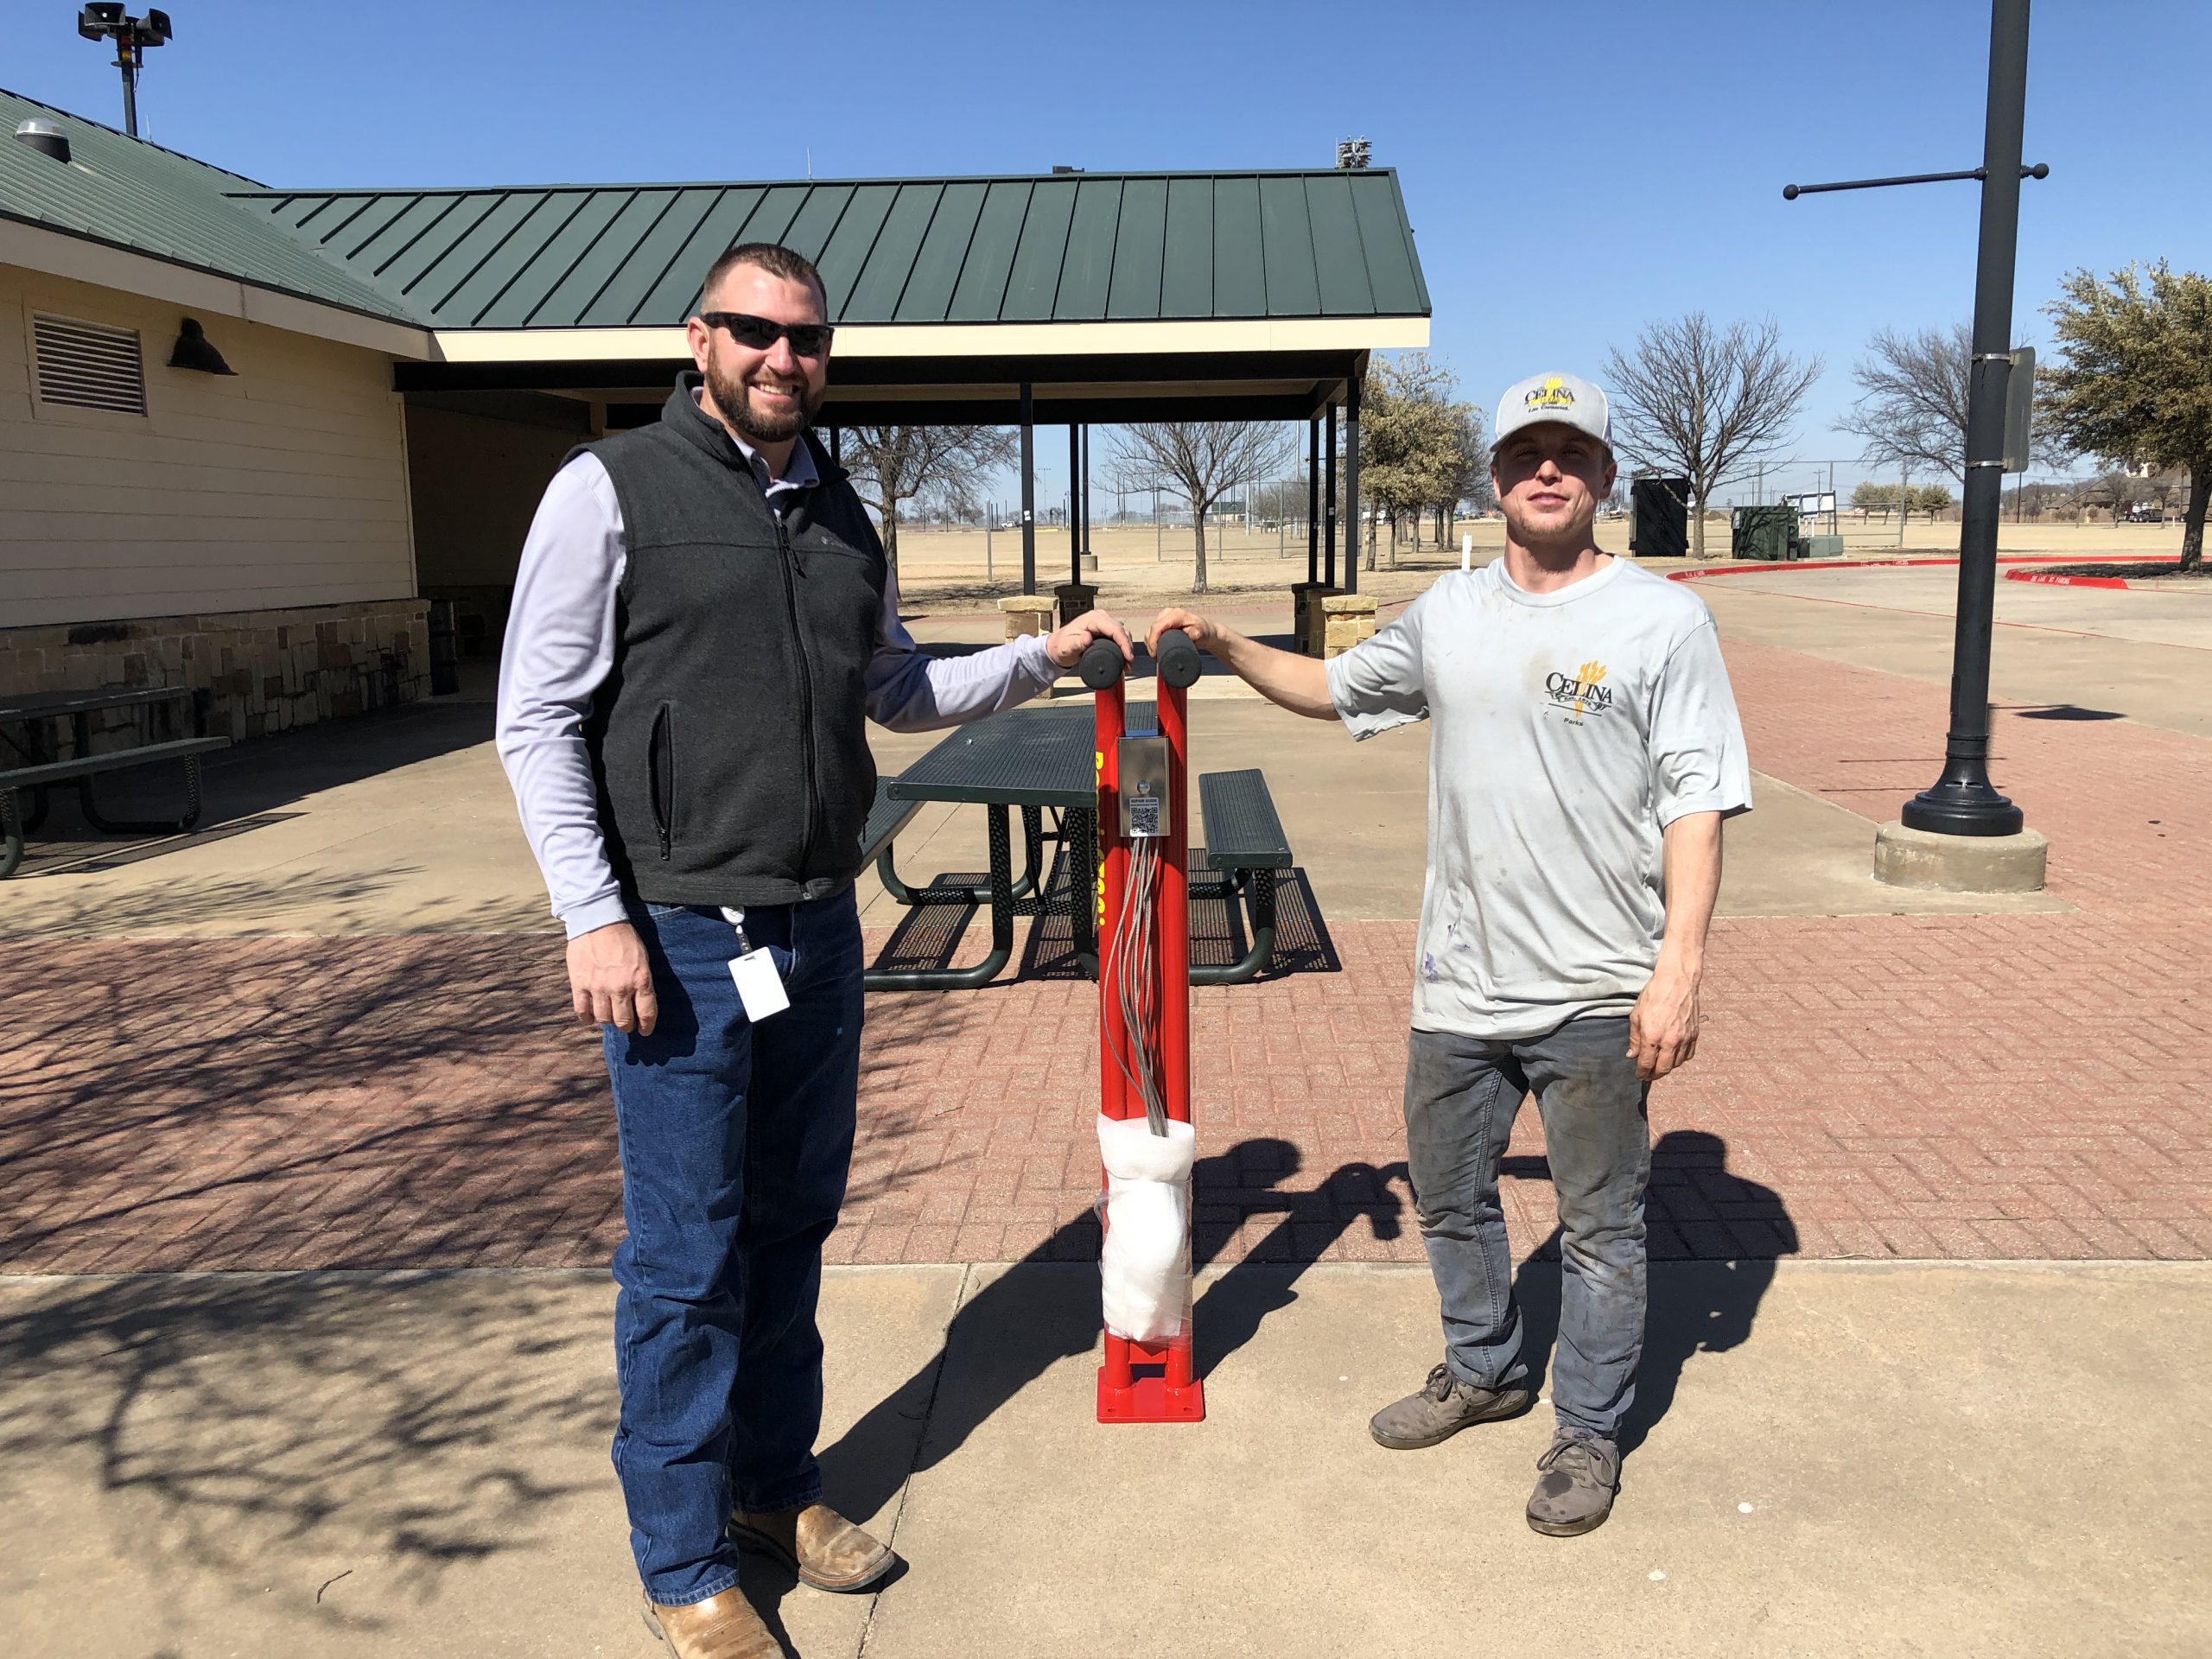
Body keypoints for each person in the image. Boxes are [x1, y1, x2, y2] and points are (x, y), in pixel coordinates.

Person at [498, 241, 1131, 1656]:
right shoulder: (608, 490)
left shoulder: (843, 508)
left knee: (792, 1229)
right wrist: (590, 912)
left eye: (808, 340)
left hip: (815, 921)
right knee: (686, 1252)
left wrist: (1040, 653)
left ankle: (773, 1493)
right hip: (673, 930)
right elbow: (535, 716)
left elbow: (894, 687)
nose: (784, 359)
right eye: (755, 333)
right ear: (698, 337)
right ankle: (679, 1562)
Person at [1149, 371, 1749, 1537]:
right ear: (1498, 474)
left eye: (1572, 453)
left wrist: (1678, 968)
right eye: (1529, 450)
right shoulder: (1450, 612)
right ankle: (1485, 1370)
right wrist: (1224, 643)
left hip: (1593, 988)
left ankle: (1587, 1430)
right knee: (1452, 1196)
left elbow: (1698, 802)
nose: (1548, 471)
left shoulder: (1662, 620)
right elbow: (1331, 689)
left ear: (1605, 477)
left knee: (1600, 1227)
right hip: (1458, 987)